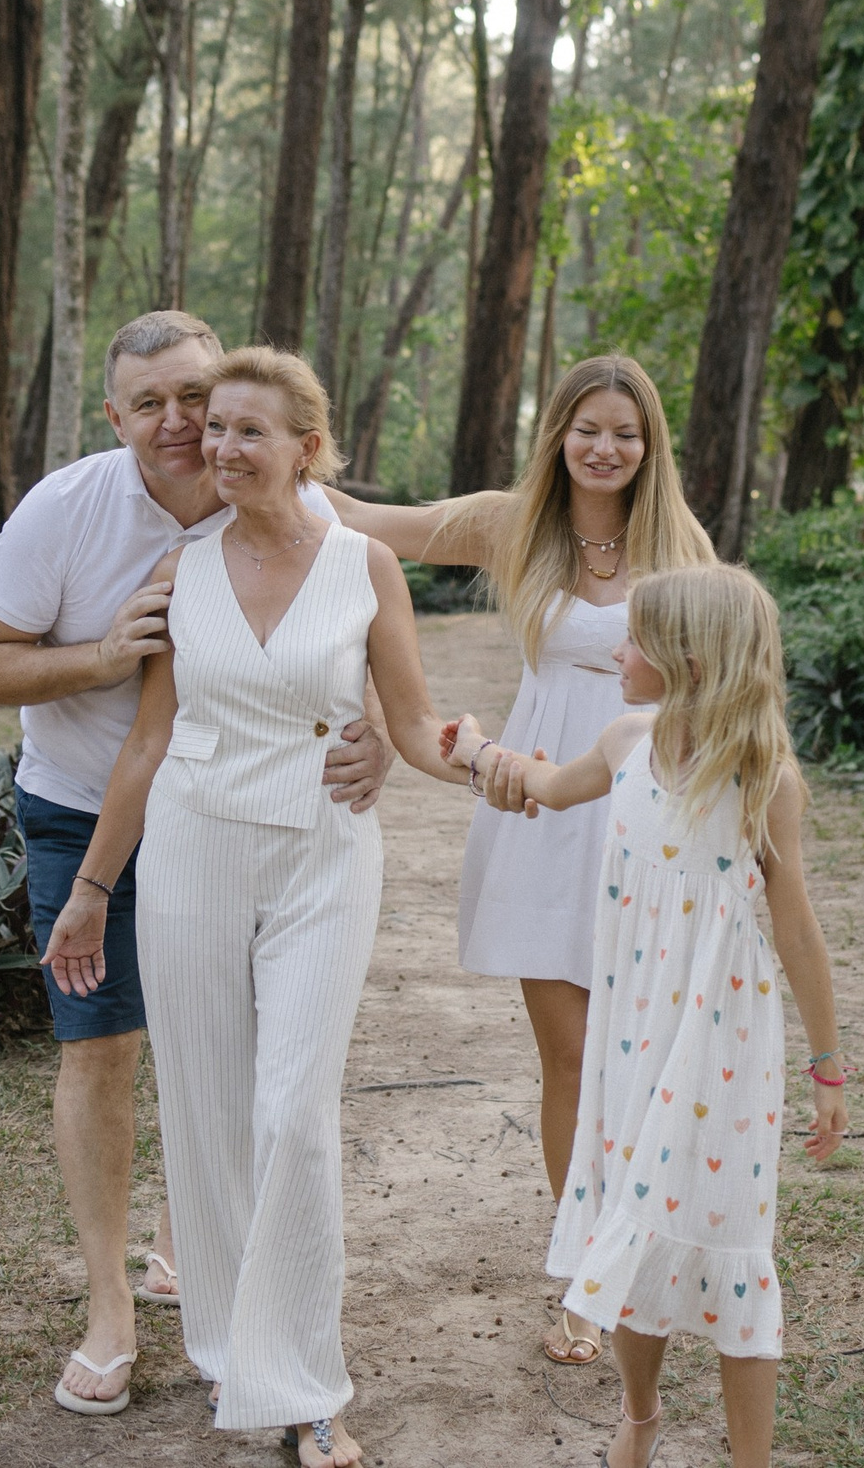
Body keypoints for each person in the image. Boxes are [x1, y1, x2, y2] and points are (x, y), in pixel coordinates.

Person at [0, 312, 387, 1417]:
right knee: (99, 1051)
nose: (180, 423)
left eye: (194, 395)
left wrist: (377, 721)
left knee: (232, 1060)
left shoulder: (283, 498)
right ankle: (109, 1309)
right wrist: (107, 652)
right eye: (149, 403)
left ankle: (189, 1248)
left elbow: (345, 620)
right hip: (79, 806)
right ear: (114, 417)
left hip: (234, 825)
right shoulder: (68, 510)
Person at [54, 347, 466, 1468]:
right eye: (216, 428)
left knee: (293, 1114)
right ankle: (242, 1353)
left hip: (324, 857)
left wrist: (511, 769)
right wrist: (93, 889)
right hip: (190, 852)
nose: (222, 448)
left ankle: (312, 1386)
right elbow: (146, 743)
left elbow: (419, 722)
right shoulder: (179, 572)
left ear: (308, 450)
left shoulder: (366, 565)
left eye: (249, 431)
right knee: (208, 1110)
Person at [326, 354, 715, 1366]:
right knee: (574, 1057)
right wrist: (272, 454)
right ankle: (585, 1274)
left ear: (648, 444)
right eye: (587, 427)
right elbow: (374, 523)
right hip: (543, 806)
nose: (605, 447)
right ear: (558, 436)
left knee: (643, 1058)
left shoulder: (681, 546)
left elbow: (727, 686)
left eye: (625, 432)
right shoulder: (513, 523)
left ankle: (653, 1245)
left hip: (647, 805)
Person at [449, 564, 847, 1468]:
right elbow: (546, 786)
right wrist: (475, 749)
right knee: (628, 1217)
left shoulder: (762, 778)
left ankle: (750, 1458)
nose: (618, 652)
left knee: (728, 1230)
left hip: (721, 1033)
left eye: (633, 639)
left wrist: (827, 1066)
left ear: (689, 659)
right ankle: (640, 1412)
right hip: (631, 1024)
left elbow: (796, 928)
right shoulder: (628, 737)